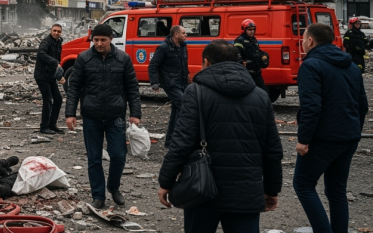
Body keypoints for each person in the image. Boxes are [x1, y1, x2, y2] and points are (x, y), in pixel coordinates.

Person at [157, 40, 283, 233]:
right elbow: (272, 150)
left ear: (206, 62)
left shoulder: (196, 92)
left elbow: (181, 142)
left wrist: (166, 182)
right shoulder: (260, 96)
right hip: (246, 193)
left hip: (202, 191)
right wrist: (272, 189)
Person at [294, 23, 368, 233]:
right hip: (349, 138)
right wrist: (354, 131)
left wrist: (304, 139)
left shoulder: (311, 65)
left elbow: (311, 107)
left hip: (322, 139)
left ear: (310, 41)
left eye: (303, 39)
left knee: (303, 185)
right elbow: (363, 105)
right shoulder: (352, 66)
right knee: (337, 191)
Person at [65, 23, 140, 209]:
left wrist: (135, 114)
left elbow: (132, 88)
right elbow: (74, 87)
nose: (99, 43)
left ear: (111, 40)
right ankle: (98, 196)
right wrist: (70, 113)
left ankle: (114, 187)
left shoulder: (123, 59)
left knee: (119, 156)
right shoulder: (84, 59)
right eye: (96, 40)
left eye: (103, 40)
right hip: (91, 117)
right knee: (94, 158)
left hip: (116, 116)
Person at [148, 24, 189, 147]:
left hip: (181, 82)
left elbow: (183, 63)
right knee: (183, 105)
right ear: (176, 34)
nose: (186, 35)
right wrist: (154, 83)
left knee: (176, 110)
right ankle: (178, 139)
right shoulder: (163, 48)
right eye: (183, 33)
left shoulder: (182, 46)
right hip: (170, 83)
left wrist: (187, 75)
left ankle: (170, 141)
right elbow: (153, 66)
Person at [34, 24, 64, 135]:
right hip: (42, 75)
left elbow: (58, 58)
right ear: (51, 31)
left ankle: (52, 125)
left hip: (50, 76)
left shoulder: (58, 42)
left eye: (59, 31)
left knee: (58, 99)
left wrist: (60, 75)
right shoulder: (45, 42)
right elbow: (41, 54)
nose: (56, 33)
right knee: (48, 100)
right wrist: (55, 63)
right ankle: (44, 127)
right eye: (54, 31)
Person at [234, 19, 269, 92]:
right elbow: (237, 52)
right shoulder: (240, 40)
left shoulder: (253, 40)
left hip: (256, 72)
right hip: (247, 73)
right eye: (249, 30)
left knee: (264, 92)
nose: (252, 31)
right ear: (244, 30)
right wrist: (241, 61)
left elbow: (256, 51)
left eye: (253, 29)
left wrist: (263, 55)